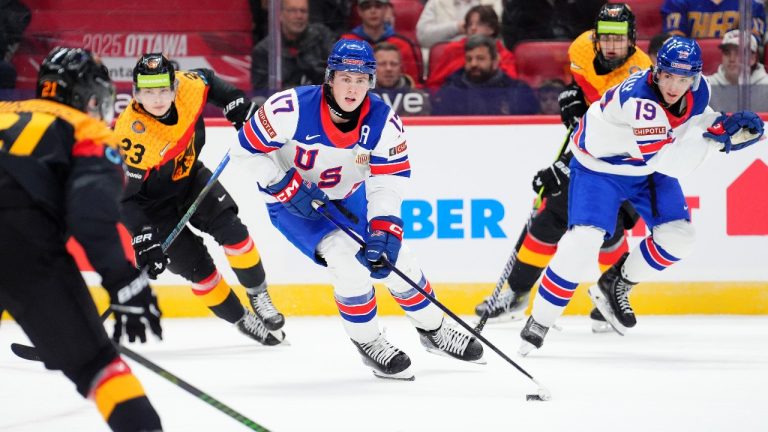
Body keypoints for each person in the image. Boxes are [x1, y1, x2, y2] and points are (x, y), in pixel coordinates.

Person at [233, 39, 484, 380]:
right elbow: (243, 151)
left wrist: (385, 229)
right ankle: (369, 344)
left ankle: (435, 330)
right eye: (346, 78)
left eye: (361, 79)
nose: (353, 88)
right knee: (343, 259)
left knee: (399, 257)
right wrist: (283, 183)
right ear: (330, 78)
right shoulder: (289, 107)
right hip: (291, 204)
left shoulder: (382, 121)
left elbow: (387, 181)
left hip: (349, 194)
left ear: (371, 82)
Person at [518, 36, 764, 356]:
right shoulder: (641, 101)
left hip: (644, 165)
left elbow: (695, 124)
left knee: (679, 237)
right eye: (669, 76)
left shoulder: (699, 88)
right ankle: (540, 320)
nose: (675, 86)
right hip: (599, 167)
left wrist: (724, 125)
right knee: (583, 243)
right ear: (656, 72)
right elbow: (671, 163)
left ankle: (615, 283)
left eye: (684, 78)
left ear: (694, 77)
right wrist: (718, 139)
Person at [0, 47, 164, 431]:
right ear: (89, 97)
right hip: (21, 243)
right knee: (101, 369)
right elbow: (90, 217)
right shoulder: (86, 129)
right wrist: (124, 281)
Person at [475, 3, 652, 333]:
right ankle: (521, 293)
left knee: (607, 227)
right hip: (595, 144)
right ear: (597, 38)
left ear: (632, 40)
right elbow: (587, 94)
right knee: (555, 215)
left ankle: (603, 296)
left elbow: (617, 136)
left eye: (619, 38)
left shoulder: (639, 76)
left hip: (629, 158)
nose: (612, 45)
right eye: (606, 37)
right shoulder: (582, 49)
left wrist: (566, 166)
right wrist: (573, 97)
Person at [113, 53, 286, 346]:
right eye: (147, 92)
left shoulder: (189, 86)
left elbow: (211, 81)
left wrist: (236, 106)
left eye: (163, 90)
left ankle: (259, 296)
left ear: (175, 86)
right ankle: (242, 319)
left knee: (234, 232)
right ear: (135, 92)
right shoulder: (132, 134)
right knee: (201, 272)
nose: (156, 99)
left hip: (190, 179)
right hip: (151, 209)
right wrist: (143, 237)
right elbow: (122, 198)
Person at [432, 34, 539, 115]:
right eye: (469, 59)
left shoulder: (517, 91)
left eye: (480, 58)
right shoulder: (451, 90)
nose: (473, 64)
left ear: (495, 61)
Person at [425, 5, 518, 89]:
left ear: (492, 29)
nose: (473, 28)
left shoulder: (505, 56)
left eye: (479, 24)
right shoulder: (453, 50)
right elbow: (434, 85)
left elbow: (510, 88)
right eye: (469, 24)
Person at [251, 0, 336, 90]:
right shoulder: (264, 50)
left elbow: (336, 75)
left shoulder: (322, 36)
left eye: (303, 11)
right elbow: (262, 91)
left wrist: (313, 70)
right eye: (292, 11)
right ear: (280, 15)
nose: (299, 16)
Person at [340, 0, 423, 84]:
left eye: (378, 6)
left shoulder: (403, 44)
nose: (373, 11)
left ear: (386, 9)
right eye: (367, 6)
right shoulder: (346, 43)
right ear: (359, 11)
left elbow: (414, 84)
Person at [501, 0, 606, 50]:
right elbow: (512, 43)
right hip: (537, 70)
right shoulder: (516, 6)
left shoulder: (590, 3)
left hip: (584, 63)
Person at [707, 29, 768, 112]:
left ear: (752, 59)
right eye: (727, 53)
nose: (732, 59)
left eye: (739, 53)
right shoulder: (706, 86)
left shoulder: (766, 85)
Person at [370, 42, 431, 115]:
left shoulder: (418, 98)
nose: (388, 69)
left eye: (394, 64)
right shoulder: (361, 97)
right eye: (382, 64)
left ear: (401, 67)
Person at [661, 0, 766, 40]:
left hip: (735, 67)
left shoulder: (750, 4)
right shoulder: (678, 2)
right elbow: (674, 41)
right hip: (689, 67)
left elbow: (753, 44)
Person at [416, 0, 502, 49]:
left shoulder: (487, 3)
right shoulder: (436, 3)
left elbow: (495, 33)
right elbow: (423, 37)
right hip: (447, 58)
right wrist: (456, 27)